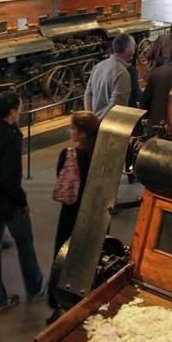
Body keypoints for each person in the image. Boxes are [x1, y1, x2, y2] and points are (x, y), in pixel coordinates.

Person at [0, 91, 43, 312]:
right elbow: (10, 180)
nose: (21, 111)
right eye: (20, 108)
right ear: (12, 112)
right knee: (25, 244)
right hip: (8, 203)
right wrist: (23, 202)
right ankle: (35, 286)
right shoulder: (11, 137)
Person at [52, 111, 100, 259]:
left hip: (71, 211)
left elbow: (61, 176)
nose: (70, 131)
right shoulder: (101, 155)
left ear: (82, 134)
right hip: (94, 210)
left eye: (72, 128)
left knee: (65, 251)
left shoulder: (67, 155)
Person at [84, 33, 135, 119]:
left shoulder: (97, 67)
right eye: (134, 47)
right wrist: (98, 122)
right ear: (127, 50)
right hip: (108, 125)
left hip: (95, 122)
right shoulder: (122, 73)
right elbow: (117, 106)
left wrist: (90, 119)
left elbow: (88, 94)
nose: (135, 49)